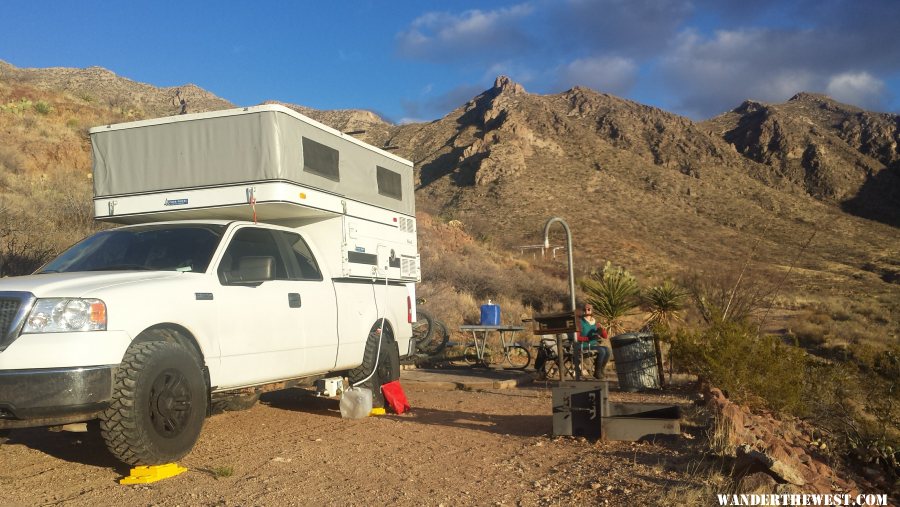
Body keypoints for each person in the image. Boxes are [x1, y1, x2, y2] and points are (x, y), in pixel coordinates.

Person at [573, 303, 611, 380]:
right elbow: (577, 338)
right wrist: (589, 338)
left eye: (588, 309)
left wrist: (602, 329)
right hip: (583, 345)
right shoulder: (580, 322)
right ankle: (597, 372)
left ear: (591, 311)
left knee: (607, 350)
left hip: (593, 344)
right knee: (602, 351)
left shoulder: (595, 323)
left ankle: (600, 370)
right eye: (584, 309)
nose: (586, 311)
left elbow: (605, 336)